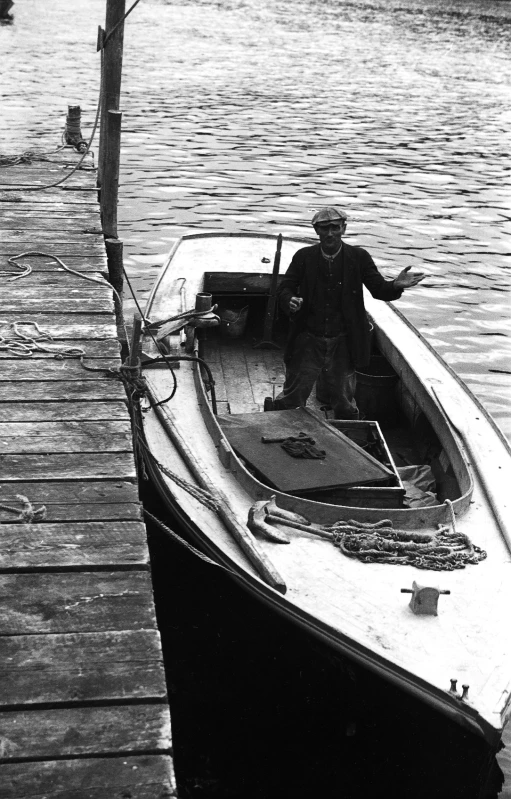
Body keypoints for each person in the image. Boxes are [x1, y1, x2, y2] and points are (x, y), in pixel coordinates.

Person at [274, 206, 425, 419]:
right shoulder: (303, 257)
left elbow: (379, 290)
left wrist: (395, 285)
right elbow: (285, 287)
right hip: (308, 339)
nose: (329, 233)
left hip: (344, 341)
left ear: (343, 228)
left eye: (335, 227)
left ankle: (349, 433)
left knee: (344, 401)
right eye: (324, 228)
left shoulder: (359, 257)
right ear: (316, 231)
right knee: (292, 397)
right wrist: (289, 299)